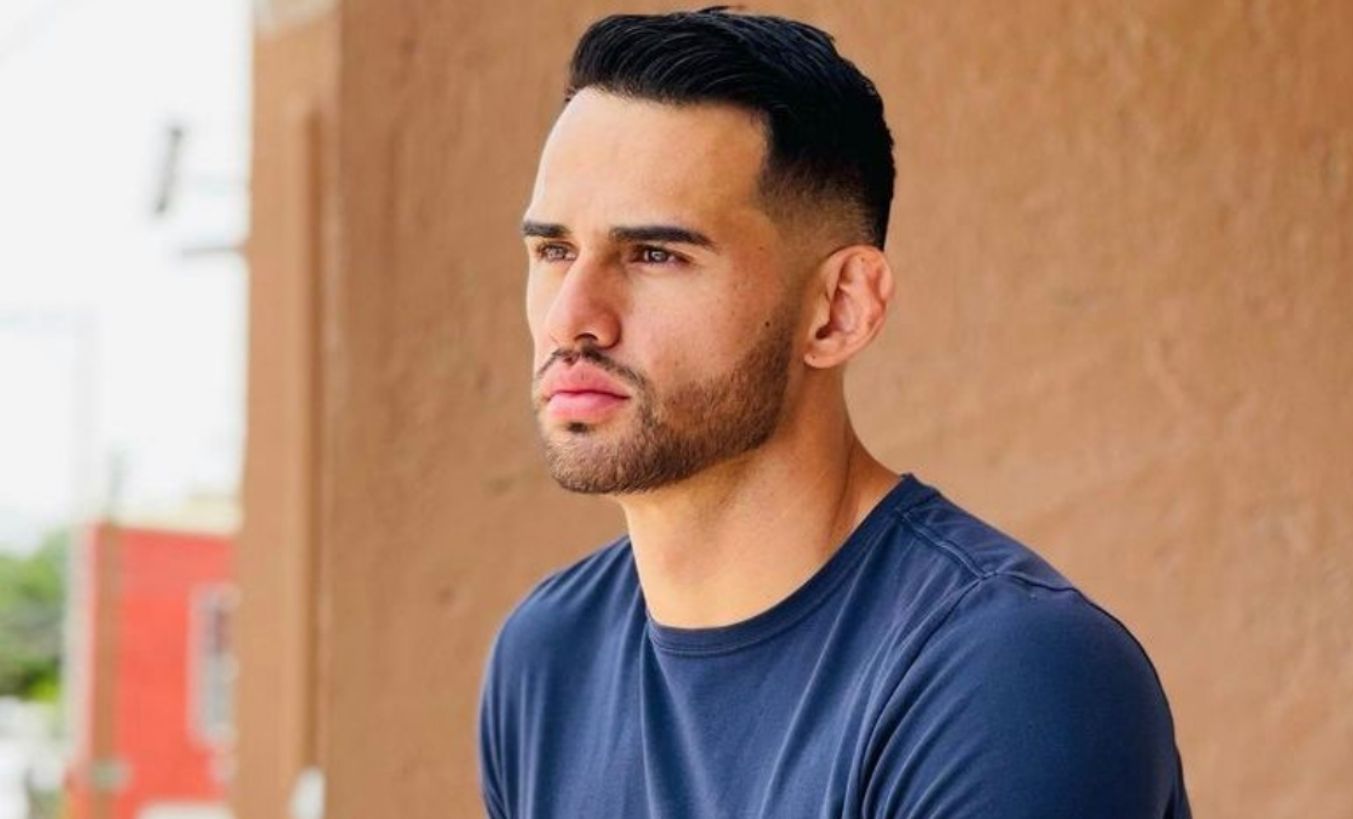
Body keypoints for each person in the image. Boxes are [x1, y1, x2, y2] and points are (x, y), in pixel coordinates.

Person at [477, 8, 1192, 818]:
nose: (572, 317)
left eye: (655, 254)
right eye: (554, 251)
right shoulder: (547, 660)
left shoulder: (1008, 677)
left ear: (839, 308)